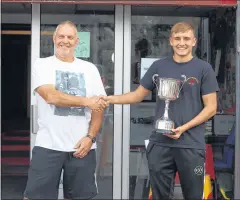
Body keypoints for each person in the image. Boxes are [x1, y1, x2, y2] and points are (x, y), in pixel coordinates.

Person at [102, 22, 219, 199]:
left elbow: (211, 108)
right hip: (160, 144)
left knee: (194, 196)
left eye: (186, 39)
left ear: (194, 41)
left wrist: (184, 128)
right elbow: (137, 96)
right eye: (178, 39)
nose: (182, 43)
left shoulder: (204, 69)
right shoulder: (159, 66)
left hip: (191, 145)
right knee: (159, 196)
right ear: (171, 41)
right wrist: (109, 99)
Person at [24, 21, 108, 200]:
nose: (65, 41)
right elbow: (51, 96)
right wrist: (86, 101)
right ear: (54, 39)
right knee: (34, 197)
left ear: (77, 41)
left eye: (70, 37)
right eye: (61, 36)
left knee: (80, 197)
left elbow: (99, 108)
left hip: (82, 147)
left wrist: (90, 137)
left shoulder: (90, 69)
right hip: (48, 145)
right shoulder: (42, 65)